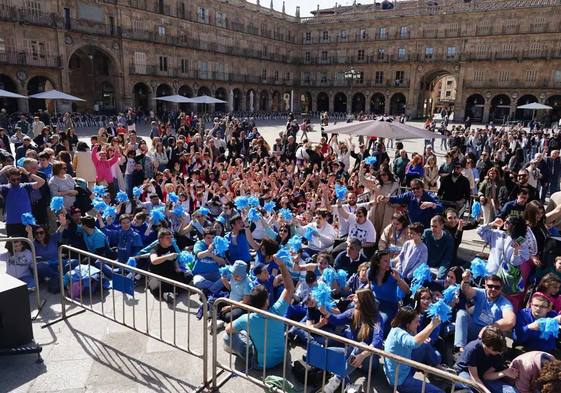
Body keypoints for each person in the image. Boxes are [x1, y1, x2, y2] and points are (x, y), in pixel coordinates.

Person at [223, 254, 294, 370]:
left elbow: (228, 329)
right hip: (282, 358)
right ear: (267, 301)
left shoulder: (246, 319)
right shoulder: (278, 310)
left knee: (227, 337)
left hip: (261, 365)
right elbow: (290, 288)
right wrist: (282, 265)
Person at [321, 289, 384, 393]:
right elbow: (337, 320)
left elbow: (377, 341)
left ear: (364, 302)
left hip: (369, 360)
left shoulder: (376, 318)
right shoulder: (352, 312)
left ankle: (337, 379)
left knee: (362, 345)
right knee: (328, 352)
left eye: (356, 299)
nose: (353, 300)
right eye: (354, 298)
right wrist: (324, 312)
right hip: (352, 355)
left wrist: (363, 355)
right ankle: (348, 383)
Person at [384, 307, 443, 393]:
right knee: (438, 392)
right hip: (400, 380)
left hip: (403, 368)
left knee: (424, 346)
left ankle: (438, 369)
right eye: (416, 322)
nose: (418, 324)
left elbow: (415, 342)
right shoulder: (399, 333)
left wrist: (416, 332)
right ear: (407, 324)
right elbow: (414, 343)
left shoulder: (398, 328)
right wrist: (432, 325)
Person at [454, 273, 516, 351]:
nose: (493, 289)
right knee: (461, 313)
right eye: (490, 286)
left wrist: (489, 328)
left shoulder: (505, 303)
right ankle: (460, 348)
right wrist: (465, 280)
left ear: (501, 288)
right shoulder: (480, 293)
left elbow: (510, 321)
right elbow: (466, 290)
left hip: (488, 336)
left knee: (507, 341)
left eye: (497, 287)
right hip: (473, 329)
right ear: (485, 285)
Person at [454, 326, 519, 393]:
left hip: (483, 375)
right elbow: (475, 378)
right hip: (466, 372)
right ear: (490, 347)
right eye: (497, 351)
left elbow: (486, 376)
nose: (500, 353)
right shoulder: (472, 349)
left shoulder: (499, 352)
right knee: (473, 387)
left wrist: (504, 373)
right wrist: (485, 391)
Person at [148, 228, 193, 303]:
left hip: (170, 273)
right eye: (167, 238)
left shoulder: (172, 247)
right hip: (157, 275)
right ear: (161, 239)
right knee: (155, 288)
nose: (170, 240)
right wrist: (167, 257)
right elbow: (154, 261)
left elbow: (175, 259)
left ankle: (170, 292)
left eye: (171, 237)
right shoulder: (155, 249)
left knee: (188, 276)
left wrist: (177, 268)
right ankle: (169, 293)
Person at [377, 178, 443, 229]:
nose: (415, 190)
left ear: (422, 188)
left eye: (418, 188)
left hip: (426, 228)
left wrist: (431, 204)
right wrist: (384, 197)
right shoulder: (409, 195)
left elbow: (441, 208)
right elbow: (397, 198)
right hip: (413, 227)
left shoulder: (430, 196)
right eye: (413, 188)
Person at [0, 165, 45, 237]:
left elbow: (42, 182)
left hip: (27, 223)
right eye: (13, 180)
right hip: (12, 223)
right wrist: (3, 170)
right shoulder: (5, 188)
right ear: (8, 178)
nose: (16, 181)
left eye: (18, 179)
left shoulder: (25, 186)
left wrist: (27, 173)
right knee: (13, 247)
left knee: (30, 246)